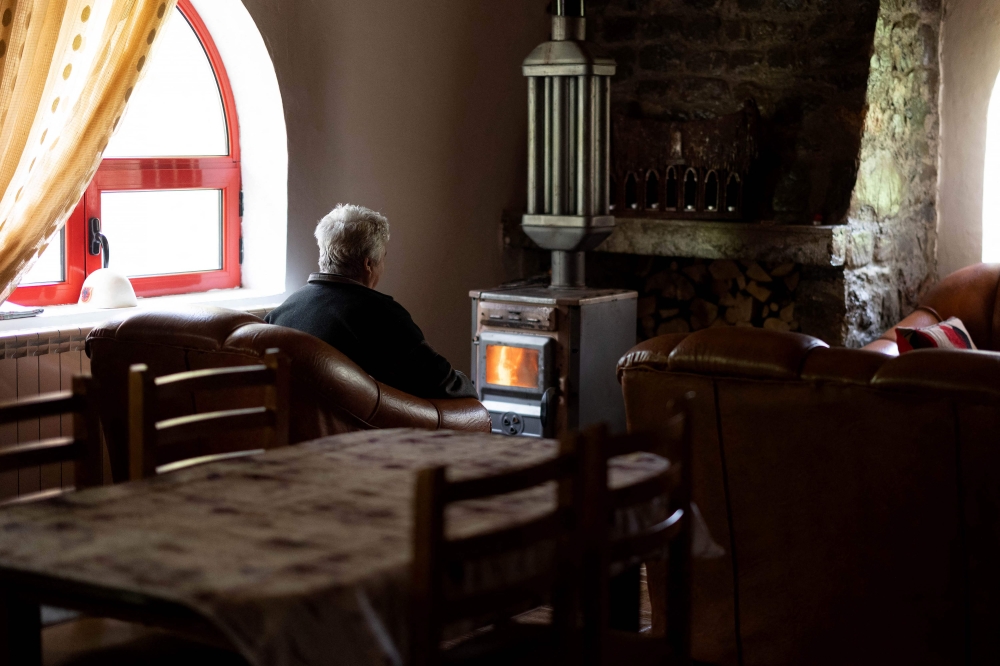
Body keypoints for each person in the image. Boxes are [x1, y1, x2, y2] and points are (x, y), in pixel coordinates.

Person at [265, 204, 478, 400]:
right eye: (383, 258)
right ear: (368, 264)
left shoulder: (282, 311)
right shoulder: (381, 315)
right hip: (362, 434)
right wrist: (470, 387)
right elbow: (441, 383)